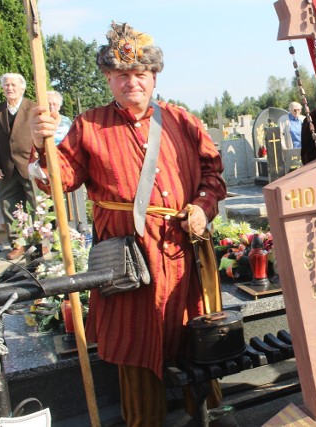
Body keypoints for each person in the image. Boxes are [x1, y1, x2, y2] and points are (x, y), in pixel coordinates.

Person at [30, 22, 226, 426]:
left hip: (183, 252)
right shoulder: (89, 125)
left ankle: (208, 416)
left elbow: (213, 173)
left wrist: (204, 207)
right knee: (136, 349)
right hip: (128, 261)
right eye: (121, 75)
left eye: (140, 74)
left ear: (154, 77)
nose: (131, 82)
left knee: (196, 340)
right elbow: (59, 179)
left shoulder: (182, 120)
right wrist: (41, 142)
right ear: (108, 78)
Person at [0, 73, 37, 260]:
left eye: (13, 85)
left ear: (22, 88)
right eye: (6, 85)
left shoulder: (33, 108)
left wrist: (41, 163)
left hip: (30, 166)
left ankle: (43, 243)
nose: (10, 88)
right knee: (10, 207)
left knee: (37, 205)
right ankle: (19, 244)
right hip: (6, 168)